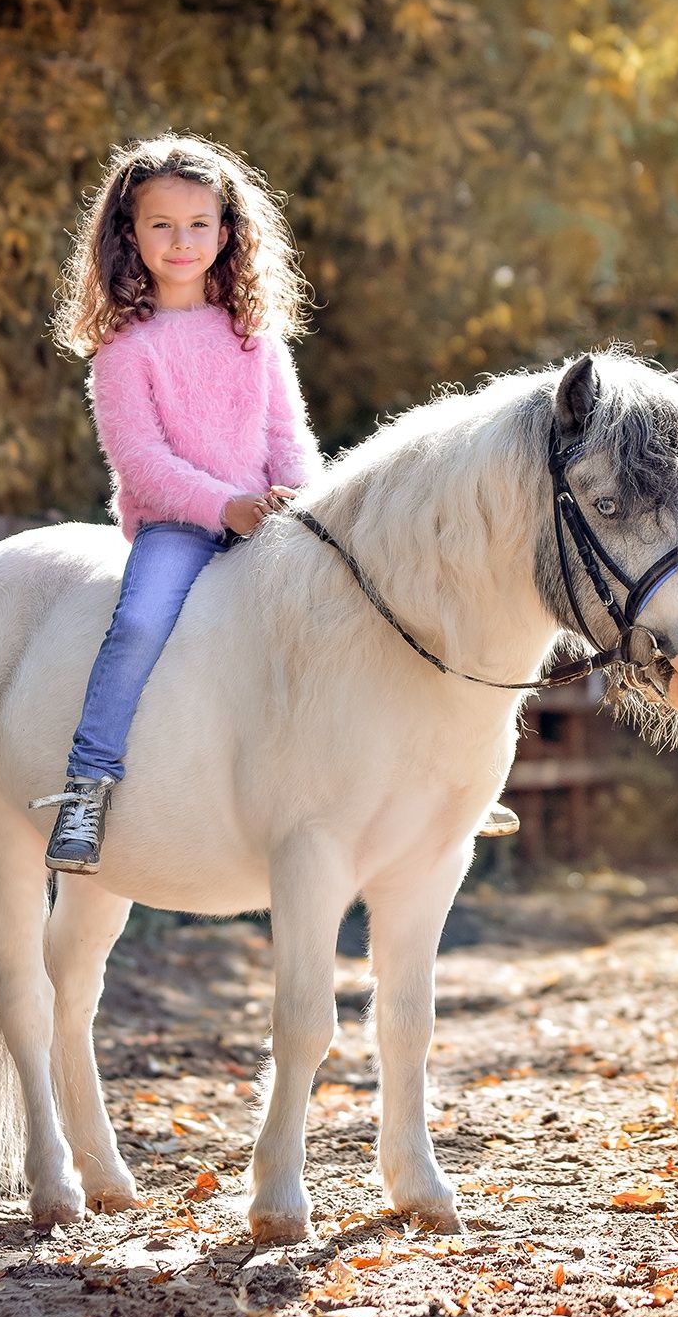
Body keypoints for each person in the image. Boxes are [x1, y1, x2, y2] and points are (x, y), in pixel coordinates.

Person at [32, 132, 516, 873]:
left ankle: (433, 782)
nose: (181, 241)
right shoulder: (125, 350)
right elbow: (144, 466)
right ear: (130, 234)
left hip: (278, 520)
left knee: (375, 606)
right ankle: (87, 787)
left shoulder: (253, 337)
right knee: (136, 623)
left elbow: (289, 439)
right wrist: (229, 507)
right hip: (182, 528)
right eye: (161, 225)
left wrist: (305, 502)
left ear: (226, 234)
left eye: (199, 225)